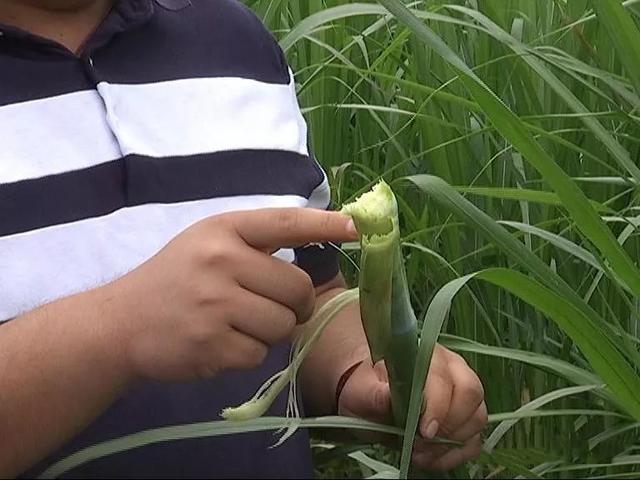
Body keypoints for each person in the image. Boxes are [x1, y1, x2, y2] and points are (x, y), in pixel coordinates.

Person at [0, 0, 487, 477]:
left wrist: (363, 368)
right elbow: (130, 324)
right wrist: (116, 331)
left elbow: (311, 297)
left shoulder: (233, 41)